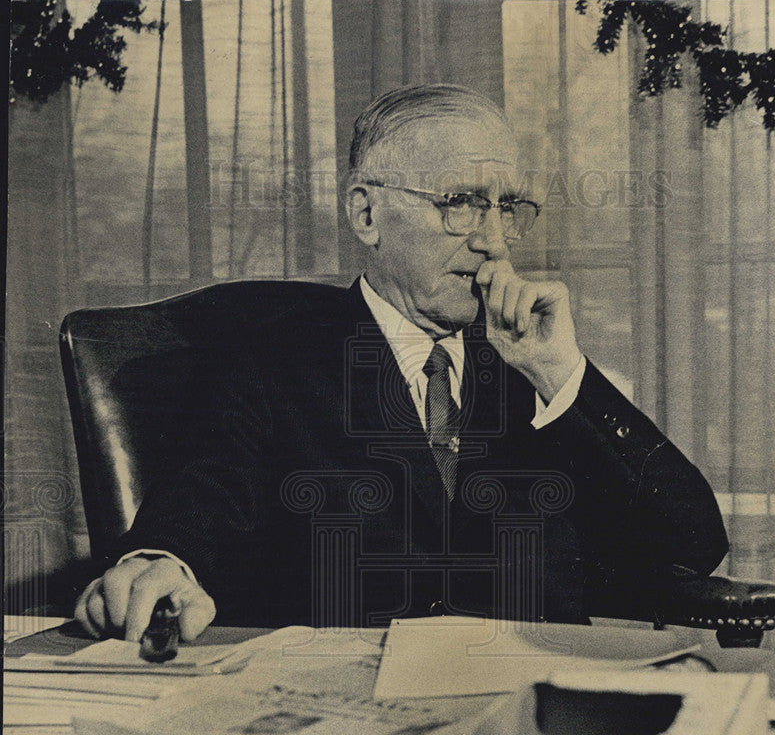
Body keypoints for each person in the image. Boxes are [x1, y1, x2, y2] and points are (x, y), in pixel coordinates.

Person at [75, 83, 728, 641]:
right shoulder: (272, 358)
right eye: (459, 203)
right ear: (366, 213)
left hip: (524, 727)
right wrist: (162, 561)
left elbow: (691, 542)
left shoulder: (531, 371)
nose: (493, 241)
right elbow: (204, 497)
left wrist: (564, 376)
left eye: (508, 208)